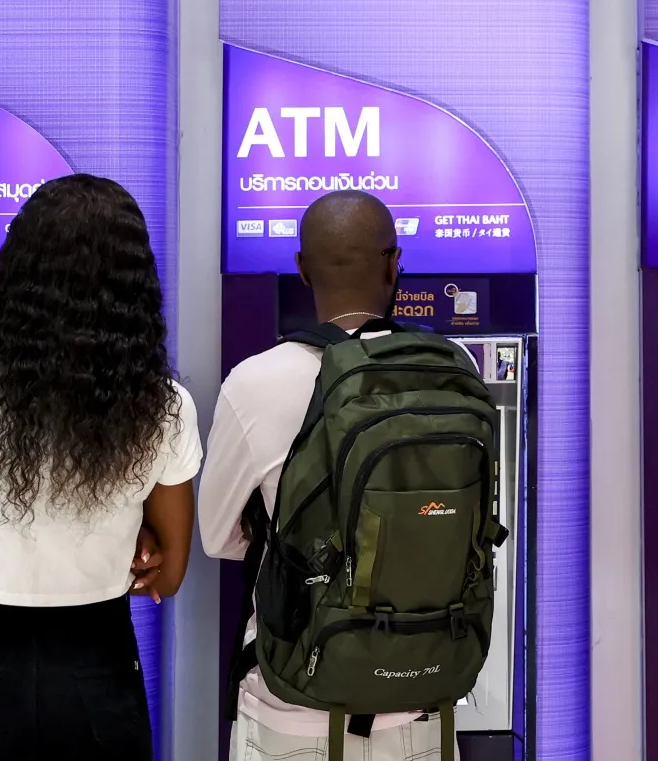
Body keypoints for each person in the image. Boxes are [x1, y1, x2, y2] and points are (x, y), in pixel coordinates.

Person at [0, 174, 200, 760]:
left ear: (16, 271)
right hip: (100, 668)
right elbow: (168, 575)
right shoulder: (163, 407)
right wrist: (123, 541)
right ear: (132, 286)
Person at [201, 190, 477, 760]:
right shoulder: (452, 370)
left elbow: (217, 536)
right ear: (395, 263)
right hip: (426, 696)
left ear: (302, 269)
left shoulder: (254, 382)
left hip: (297, 701)